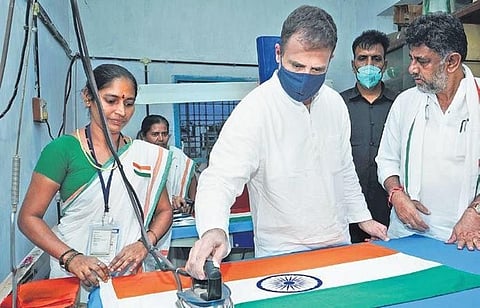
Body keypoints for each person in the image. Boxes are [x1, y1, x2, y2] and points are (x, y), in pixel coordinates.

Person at [186, 5, 389, 279]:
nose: (305, 76)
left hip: (337, 243)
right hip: (281, 253)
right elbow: (220, 178)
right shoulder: (255, 110)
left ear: (331, 60)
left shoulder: (334, 105)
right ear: (279, 53)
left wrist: (362, 218)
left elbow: (342, 169)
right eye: (296, 65)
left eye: (317, 68)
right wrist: (213, 228)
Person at [18, 64, 173, 295]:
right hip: (72, 277)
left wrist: (144, 244)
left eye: (128, 103)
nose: (121, 111)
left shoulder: (145, 155)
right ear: (88, 97)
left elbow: (165, 211)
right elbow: (28, 218)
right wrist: (71, 258)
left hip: (127, 278)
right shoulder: (62, 150)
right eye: (111, 100)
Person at [376, 12, 480, 251]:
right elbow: (387, 160)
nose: (412, 69)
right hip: (408, 235)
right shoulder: (405, 102)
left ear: (452, 62)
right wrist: (396, 194)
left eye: (422, 62)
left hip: (467, 239)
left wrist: (476, 211)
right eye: (412, 59)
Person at [340, 30, 398, 243]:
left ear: (385, 63)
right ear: (353, 64)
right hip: (346, 212)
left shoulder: (400, 104)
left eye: (376, 59)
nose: (369, 64)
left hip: (392, 209)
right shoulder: (337, 105)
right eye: (362, 58)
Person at [137, 114, 197, 214]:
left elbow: (193, 193)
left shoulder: (178, 157)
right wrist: (168, 200)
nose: (161, 138)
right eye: (155, 134)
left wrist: (187, 205)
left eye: (164, 134)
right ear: (144, 136)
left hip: (179, 218)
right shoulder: (138, 158)